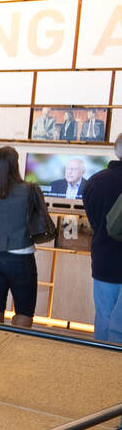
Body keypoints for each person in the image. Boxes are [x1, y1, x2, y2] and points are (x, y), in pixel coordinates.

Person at [0, 147, 38, 328]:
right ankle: (16, 351)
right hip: (20, 256)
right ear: (14, 166)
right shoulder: (28, 190)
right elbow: (36, 219)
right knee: (24, 311)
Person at [81, 134, 122, 342]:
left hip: (104, 258)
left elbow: (93, 221)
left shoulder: (95, 181)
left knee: (104, 317)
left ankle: (99, 368)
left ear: (116, 150)